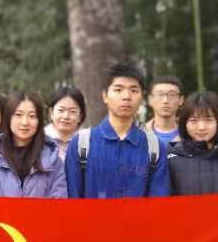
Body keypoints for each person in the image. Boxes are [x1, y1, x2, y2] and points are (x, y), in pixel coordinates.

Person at [65, 63, 170, 198]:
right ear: (105, 96)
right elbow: (72, 200)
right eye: (118, 89)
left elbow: (159, 204)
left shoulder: (154, 148)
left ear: (142, 97)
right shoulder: (81, 144)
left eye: (134, 90)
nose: (126, 96)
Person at [0, 91, 66, 198]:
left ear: (39, 121)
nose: (25, 122)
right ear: (8, 118)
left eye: (32, 116)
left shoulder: (53, 161)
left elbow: (60, 201)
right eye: (18, 115)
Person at [167, 91, 218, 195]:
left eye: (208, 120)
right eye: (194, 120)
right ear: (184, 123)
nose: (201, 127)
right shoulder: (170, 159)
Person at [44, 86, 87, 160]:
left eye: (72, 111)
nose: (66, 116)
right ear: (51, 113)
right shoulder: (40, 139)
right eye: (61, 110)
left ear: (80, 116)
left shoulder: (90, 141)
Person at [144, 75, 185, 145]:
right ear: (150, 99)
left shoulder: (191, 134)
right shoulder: (139, 134)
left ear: (181, 100)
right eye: (160, 94)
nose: (165, 100)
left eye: (172, 95)